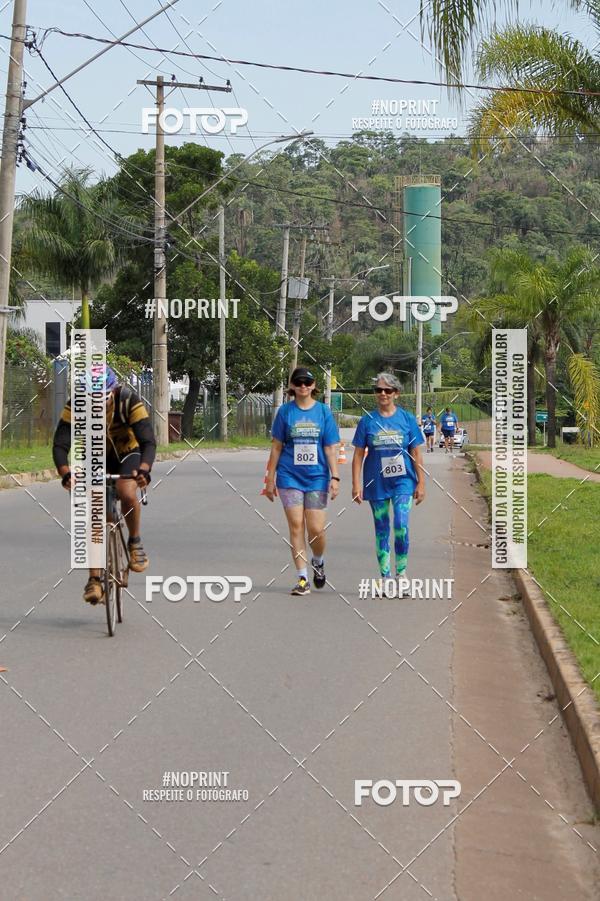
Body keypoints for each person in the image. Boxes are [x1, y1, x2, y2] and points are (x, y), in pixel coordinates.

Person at [52, 364, 156, 604]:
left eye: (103, 398)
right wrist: (65, 472)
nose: (97, 405)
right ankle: (94, 580)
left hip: (127, 453)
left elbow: (148, 441)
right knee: (97, 512)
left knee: (126, 492)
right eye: (91, 399)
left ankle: (135, 542)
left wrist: (144, 470)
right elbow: (60, 444)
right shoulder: (75, 405)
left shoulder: (129, 400)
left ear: (113, 391)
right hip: (95, 457)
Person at [264, 366, 340, 595]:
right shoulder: (286, 412)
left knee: (316, 529)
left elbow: (329, 447)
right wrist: (270, 479)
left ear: (314, 386)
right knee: (296, 526)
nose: (303, 386)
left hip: (316, 477)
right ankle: (302, 578)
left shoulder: (323, 412)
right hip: (289, 477)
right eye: (298, 383)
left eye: (307, 382)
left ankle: (317, 560)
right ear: (292, 387)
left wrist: (335, 476)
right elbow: (276, 447)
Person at [352, 372, 425, 593]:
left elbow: (416, 452)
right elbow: (357, 456)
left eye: (387, 390)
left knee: (401, 524)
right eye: (378, 390)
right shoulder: (367, 421)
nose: (383, 394)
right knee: (382, 529)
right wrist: (356, 485)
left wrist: (421, 483)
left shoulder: (407, 419)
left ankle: (401, 573)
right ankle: (385, 577)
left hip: (403, 481)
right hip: (376, 483)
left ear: (396, 393)